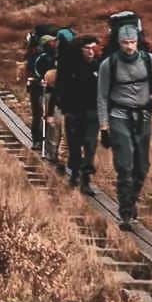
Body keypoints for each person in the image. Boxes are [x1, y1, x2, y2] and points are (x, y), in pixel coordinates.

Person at [97, 21, 152, 229]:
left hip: (143, 117)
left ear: (138, 42)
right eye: (125, 42)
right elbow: (101, 97)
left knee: (142, 167)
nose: (129, 46)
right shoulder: (108, 65)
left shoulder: (150, 61)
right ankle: (126, 213)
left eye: (133, 42)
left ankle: (132, 200)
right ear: (119, 43)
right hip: (119, 116)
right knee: (124, 165)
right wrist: (104, 127)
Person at [53, 32, 101, 191]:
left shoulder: (98, 67)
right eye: (87, 48)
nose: (91, 52)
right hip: (74, 112)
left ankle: (86, 179)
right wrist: (64, 107)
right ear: (80, 50)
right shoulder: (69, 68)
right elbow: (60, 88)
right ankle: (74, 174)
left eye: (93, 48)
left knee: (90, 144)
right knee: (74, 146)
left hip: (93, 113)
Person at [26, 31, 59, 151]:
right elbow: (33, 70)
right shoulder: (38, 57)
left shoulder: (54, 56)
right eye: (52, 41)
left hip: (48, 90)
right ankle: (37, 140)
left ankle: (46, 143)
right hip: (38, 89)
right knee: (38, 114)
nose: (55, 43)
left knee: (46, 115)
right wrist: (39, 79)